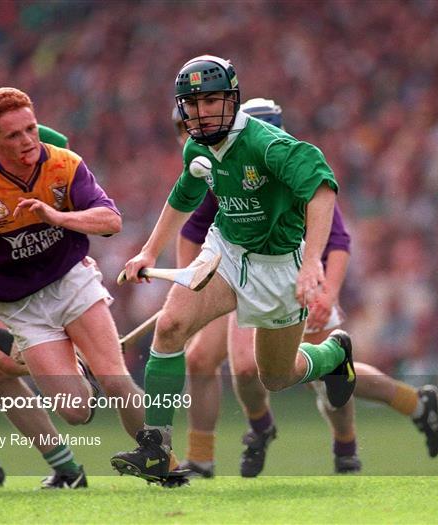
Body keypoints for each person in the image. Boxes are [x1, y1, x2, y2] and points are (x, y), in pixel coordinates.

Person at [111, 55, 356, 483]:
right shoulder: (197, 144)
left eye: (211, 101)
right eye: (192, 103)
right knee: (170, 327)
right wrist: (149, 252)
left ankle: (334, 356)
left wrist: (312, 261)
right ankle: (156, 446)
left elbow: (321, 190)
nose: (201, 112)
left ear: (232, 99)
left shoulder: (267, 144)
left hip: (279, 265)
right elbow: (182, 196)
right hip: (225, 253)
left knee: (277, 376)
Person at [0, 89, 145, 488]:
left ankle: (146, 456)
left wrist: (61, 220)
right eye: (15, 135)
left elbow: (56, 156)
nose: (26, 140)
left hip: (24, 271)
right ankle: (60, 464)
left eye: (29, 131)